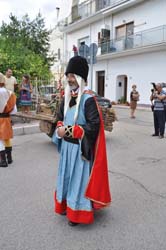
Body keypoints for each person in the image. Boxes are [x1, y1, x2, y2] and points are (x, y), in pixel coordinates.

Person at [53, 56, 111, 226]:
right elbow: (59, 118)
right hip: (66, 149)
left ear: (81, 78)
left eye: (73, 75)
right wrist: (59, 127)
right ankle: (65, 205)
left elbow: (93, 127)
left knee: (78, 181)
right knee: (65, 177)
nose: (70, 79)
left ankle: (77, 212)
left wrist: (70, 130)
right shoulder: (65, 97)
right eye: (68, 75)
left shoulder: (89, 100)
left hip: (80, 150)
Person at [0, 73, 17, 167]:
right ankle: (9, 158)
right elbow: (14, 110)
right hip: (6, 118)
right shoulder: (10, 93)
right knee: (6, 138)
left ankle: (2, 161)